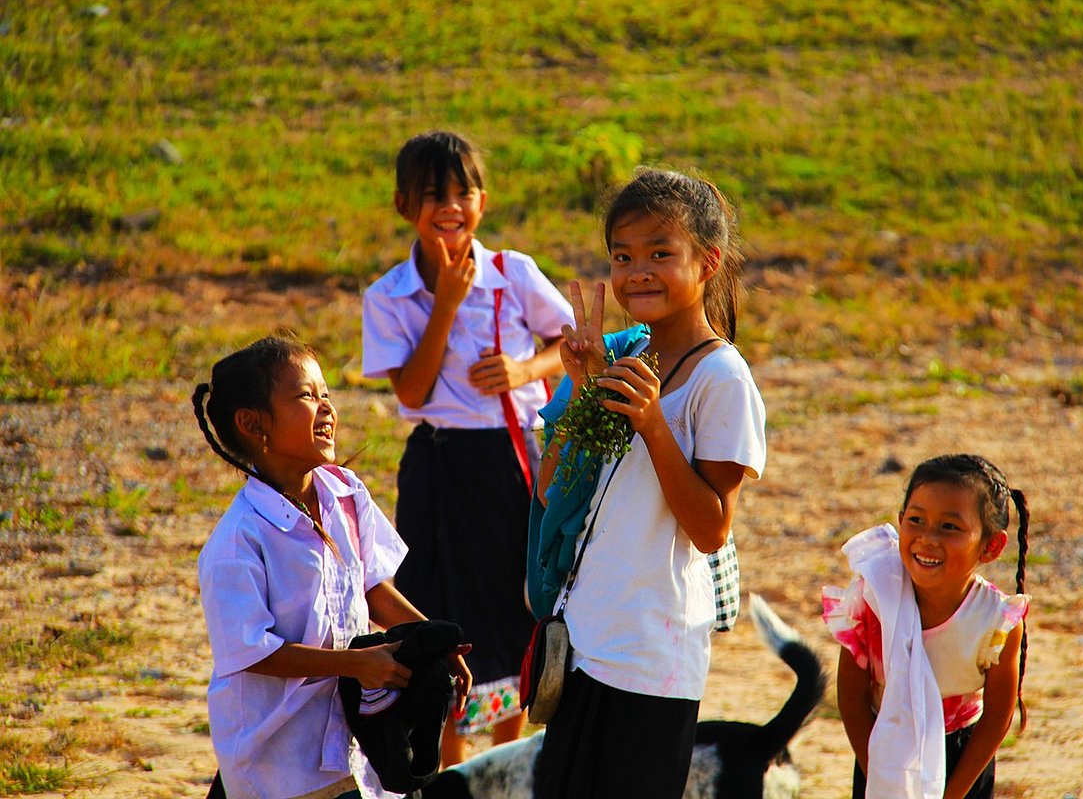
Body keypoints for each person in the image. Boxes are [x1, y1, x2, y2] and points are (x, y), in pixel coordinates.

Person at [532, 168, 767, 798]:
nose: (639, 272)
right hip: (584, 638)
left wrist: (654, 423)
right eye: (623, 256)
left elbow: (711, 528)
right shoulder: (622, 357)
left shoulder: (722, 379)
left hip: (651, 658)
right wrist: (583, 387)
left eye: (661, 254)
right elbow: (551, 492)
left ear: (707, 262)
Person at [360, 130, 573, 764]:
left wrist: (525, 371)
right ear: (404, 206)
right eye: (433, 195)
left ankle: (500, 761)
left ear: (483, 201)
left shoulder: (514, 273)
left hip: (510, 464)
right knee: (434, 603)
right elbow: (416, 393)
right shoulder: (389, 296)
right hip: (438, 463)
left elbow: (572, 345)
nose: (450, 206)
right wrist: (447, 304)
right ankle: (448, 759)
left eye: (463, 192)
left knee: (513, 603)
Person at [192, 334, 471, 799]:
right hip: (278, 756)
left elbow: (371, 588)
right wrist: (354, 664)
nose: (326, 408)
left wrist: (434, 640)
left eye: (326, 395)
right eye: (306, 395)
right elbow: (254, 653)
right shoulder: (239, 540)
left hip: (349, 740)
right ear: (252, 425)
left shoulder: (345, 493)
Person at [822, 453, 1031, 799]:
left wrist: (953, 794)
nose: (927, 538)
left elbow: (996, 718)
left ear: (991, 546)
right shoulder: (874, 600)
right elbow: (853, 698)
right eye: (916, 520)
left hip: (963, 762)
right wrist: (879, 774)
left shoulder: (995, 621)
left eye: (950, 527)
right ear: (900, 520)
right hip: (886, 750)